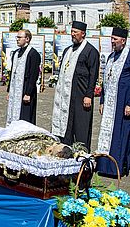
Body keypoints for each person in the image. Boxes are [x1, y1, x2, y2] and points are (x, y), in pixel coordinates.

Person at [51, 21, 99, 151]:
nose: (72, 34)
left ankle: (82, 156)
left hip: (81, 96)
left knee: (80, 127)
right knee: (66, 126)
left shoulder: (91, 51)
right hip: (66, 96)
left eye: (75, 32)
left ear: (83, 34)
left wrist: (89, 95)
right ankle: (65, 151)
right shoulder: (68, 50)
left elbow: (93, 75)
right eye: (71, 32)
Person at [96, 27, 130, 177]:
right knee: (106, 134)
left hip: (123, 103)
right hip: (109, 103)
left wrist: (129, 103)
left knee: (119, 135)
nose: (112, 42)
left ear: (123, 41)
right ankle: (104, 166)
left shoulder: (128, 57)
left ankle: (117, 167)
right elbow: (105, 81)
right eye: (111, 38)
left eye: (115, 39)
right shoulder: (110, 57)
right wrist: (102, 101)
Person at [6, 29, 41, 125]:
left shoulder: (33, 54)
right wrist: (9, 90)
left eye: (19, 37)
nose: (17, 39)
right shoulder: (16, 53)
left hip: (26, 89)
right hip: (15, 89)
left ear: (27, 39)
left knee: (25, 116)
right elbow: (12, 73)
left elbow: (34, 75)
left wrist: (28, 93)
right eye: (17, 37)